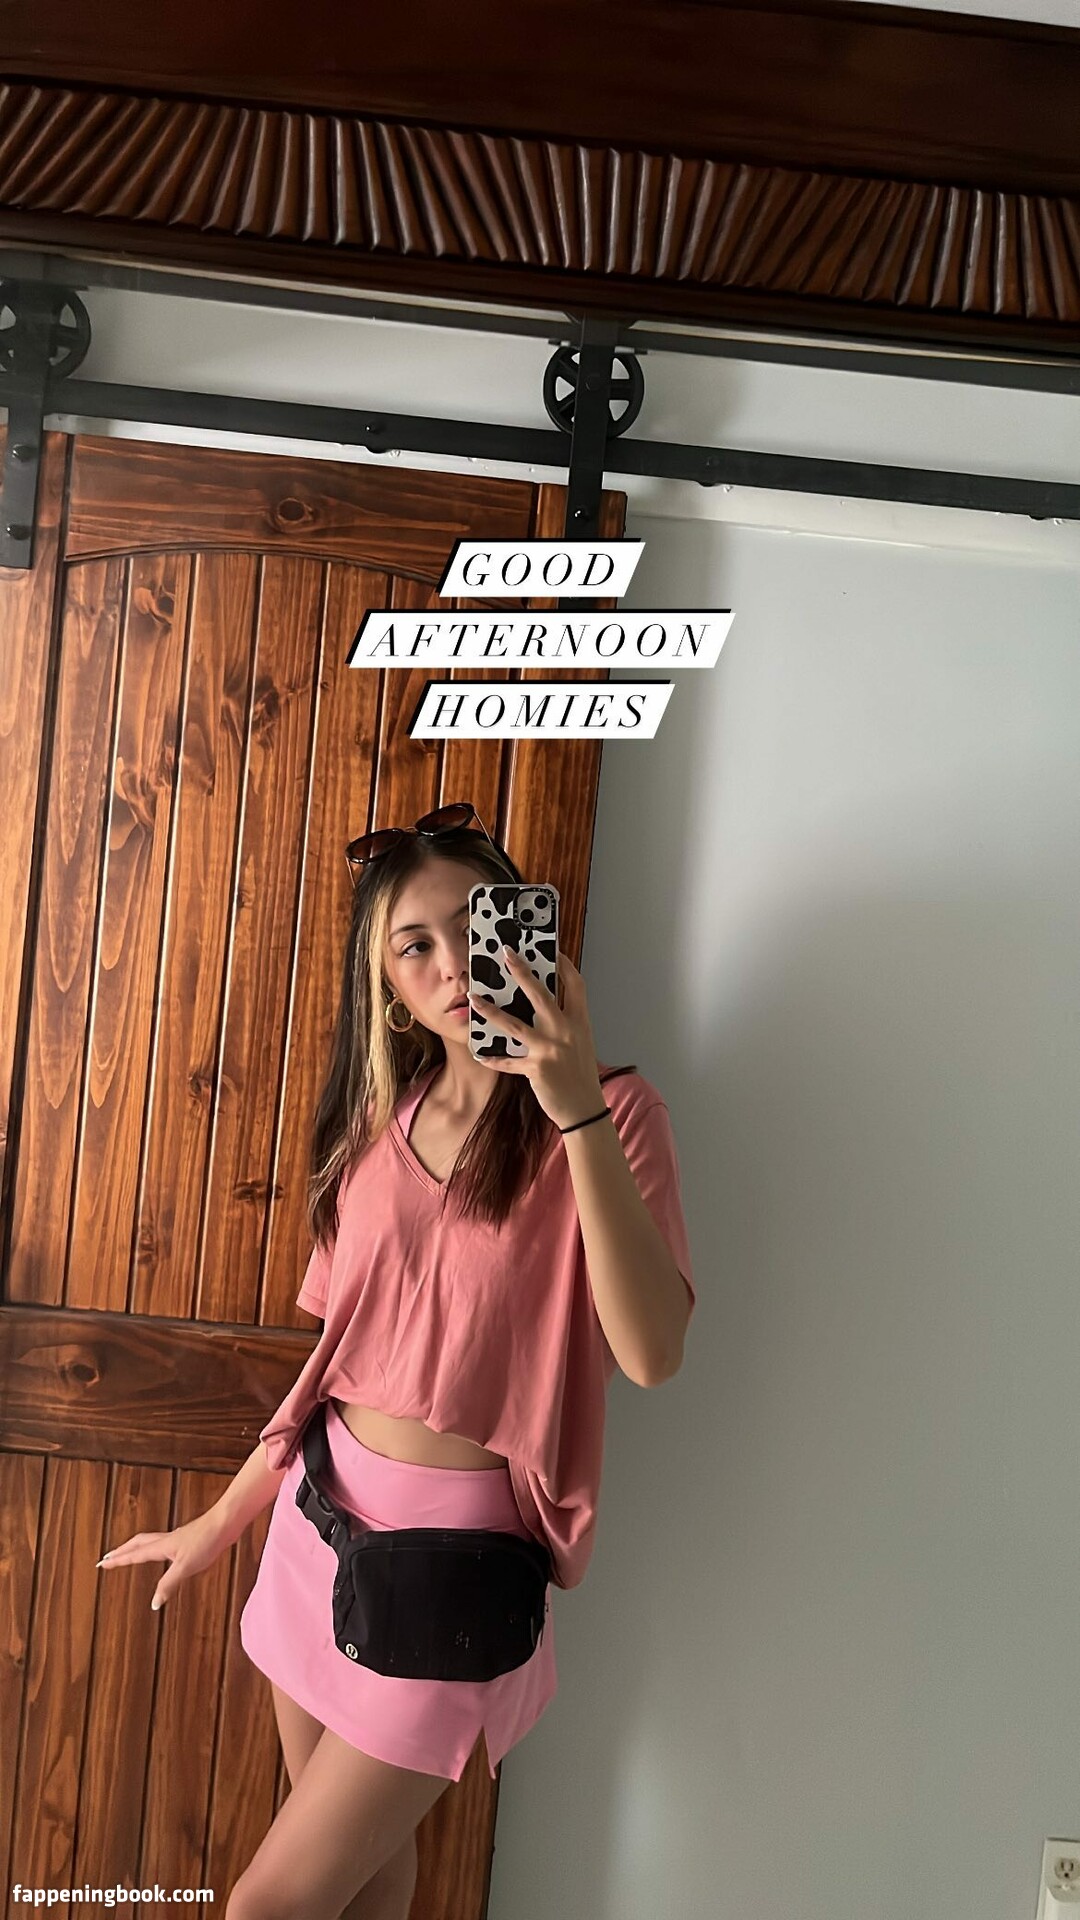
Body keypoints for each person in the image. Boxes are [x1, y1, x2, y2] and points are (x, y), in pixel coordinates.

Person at [94, 802, 695, 1920]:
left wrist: (572, 1113)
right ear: (388, 989)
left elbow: (653, 1353)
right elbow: (336, 1373)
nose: (452, 963)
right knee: (370, 1880)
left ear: (523, 928)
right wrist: (219, 1521)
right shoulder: (382, 1124)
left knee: (266, 1907)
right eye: (414, 946)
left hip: (450, 1576)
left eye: (473, 925)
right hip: (314, 1530)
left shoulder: (617, 1113)